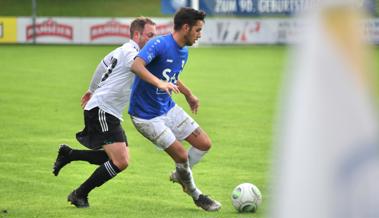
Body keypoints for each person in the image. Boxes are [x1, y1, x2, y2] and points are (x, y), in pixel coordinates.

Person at [52, 17, 157, 208]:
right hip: (103, 109)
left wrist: (91, 89)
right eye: (150, 35)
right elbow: (138, 68)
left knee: (114, 157)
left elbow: (102, 64)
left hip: (107, 110)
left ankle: (69, 154)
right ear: (136, 34)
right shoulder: (130, 51)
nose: (153, 39)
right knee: (121, 161)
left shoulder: (122, 50)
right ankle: (79, 194)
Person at [129, 7, 221, 211]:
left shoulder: (184, 51)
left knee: (204, 143)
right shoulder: (159, 43)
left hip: (167, 107)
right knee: (180, 155)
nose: (200, 35)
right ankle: (196, 195)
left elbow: (172, 75)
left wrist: (188, 94)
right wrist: (159, 83)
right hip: (146, 116)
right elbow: (136, 66)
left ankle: (180, 174)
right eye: (197, 30)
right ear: (186, 27)